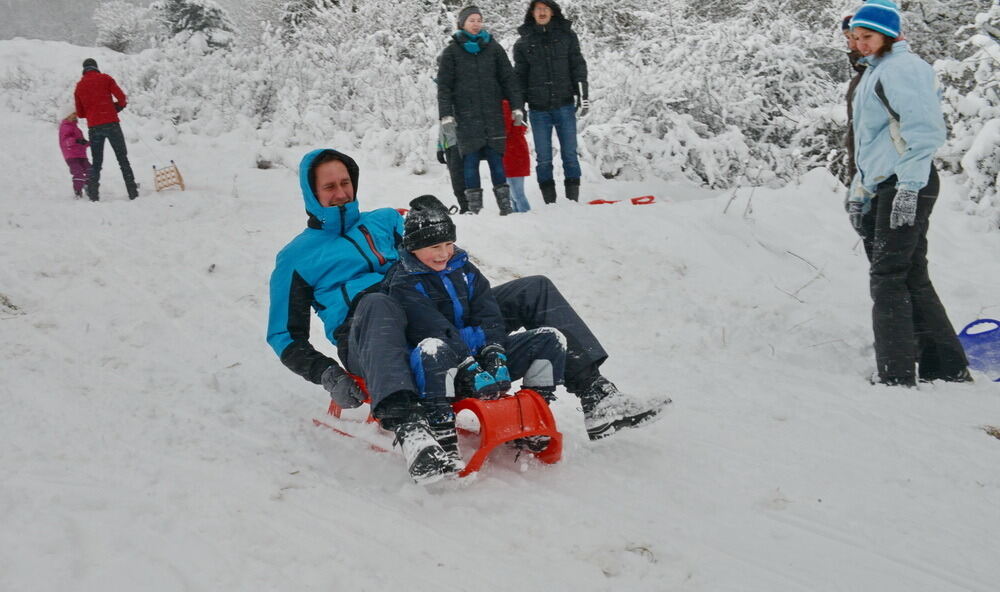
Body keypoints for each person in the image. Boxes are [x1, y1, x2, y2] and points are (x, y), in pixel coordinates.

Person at [266, 148, 671, 483]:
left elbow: (432, 250)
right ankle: (409, 428)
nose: (340, 192)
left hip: (431, 310)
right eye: (329, 186)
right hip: (370, 332)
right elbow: (284, 335)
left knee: (534, 288)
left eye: (345, 182)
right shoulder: (296, 257)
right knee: (379, 301)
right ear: (311, 192)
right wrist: (328, 374)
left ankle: (598, 396)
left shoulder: (386, 220)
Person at [380, 194, 566, 479]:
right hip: (438, 369)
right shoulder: (404, 281)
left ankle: (534, 416)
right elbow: (430, 326)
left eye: (448, 244)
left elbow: (489, 313)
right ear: (414, 248)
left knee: (549, 339)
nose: (444, 253)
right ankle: (441, 427)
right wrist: (467, 365)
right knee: (433, 349)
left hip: (481, 365)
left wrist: (495, 351)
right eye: (434, 246)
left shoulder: (464, 270)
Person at [846, 1, 971, 386]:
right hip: (886, 183)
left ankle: (896, 375)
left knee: (887, 276)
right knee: (910, 275)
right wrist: (860, 191)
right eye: (854, 38)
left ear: (890, 35)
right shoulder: (876, 72)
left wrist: (908, 189)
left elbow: (925, 132)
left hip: (906, 182)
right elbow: (872, 144)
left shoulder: (905, 69)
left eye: (866, 37)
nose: (859, 44)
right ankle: (946, 367)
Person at [437, 6, 525, 216]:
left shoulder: (493, 48)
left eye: (479, 20)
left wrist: (517, 106)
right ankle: (474, 209)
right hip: (466, 118)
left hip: (492, 116)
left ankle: (505, 207)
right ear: (462, 24)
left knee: (497, 161)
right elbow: (444, 86)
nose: (476, 24)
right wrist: (445, 114)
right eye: (471, 20)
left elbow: (509, 79)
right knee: (470, 162)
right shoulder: (451, 52)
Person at [513, 0, 588, 204]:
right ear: (532, 13)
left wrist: (583, 95)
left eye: (546, 8)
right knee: (543, 158)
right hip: (538, 109)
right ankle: (550, 203)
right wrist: (520, 107)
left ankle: (573, 200)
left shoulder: (567, 36)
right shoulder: (523, 42)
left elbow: (578, 66)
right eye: (538, 9)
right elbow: (519, 78)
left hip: (564, 104)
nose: (542, 12)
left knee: (570, 155)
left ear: (553, 12)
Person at [73, 58, 138, 201]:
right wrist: (116, 108)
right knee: (122, 159)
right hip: (112, 124)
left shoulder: (79, 86)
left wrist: (93, 112)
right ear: (96, 67)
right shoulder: (106, 78)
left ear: (84, 69)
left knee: (97, 162)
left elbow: (80, 113)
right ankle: (132, 191)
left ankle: (94, 194)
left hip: (94, 128)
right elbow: (122, 98)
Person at [501, 100, 532, 213]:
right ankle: (521, 217)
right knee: (514, 196)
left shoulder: (504, 106)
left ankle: (526, 215)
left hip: (513, 156)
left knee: (517, 195)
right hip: (514, 156)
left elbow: (505, 129)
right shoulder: (511, 107)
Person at [59, 112, 90, 199]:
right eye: (72, 114)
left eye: (75, 114)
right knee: (78, 172)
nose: (75, 116)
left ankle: (88, 186)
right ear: (66, 115)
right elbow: (65, 141)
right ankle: (78, 191)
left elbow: (81, 141)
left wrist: (88, 143)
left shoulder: (77, 129)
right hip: (71, 156)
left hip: (82, 155)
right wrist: (76, 140)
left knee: (90, 170)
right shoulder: (65, 127)